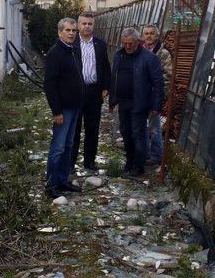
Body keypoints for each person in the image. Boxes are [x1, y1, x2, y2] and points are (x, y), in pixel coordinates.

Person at [109, 27, 163, 177]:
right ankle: (130, 161)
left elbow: (158, 83)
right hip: (123, 101)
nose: (127, 46)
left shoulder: (149, 58)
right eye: (124, 43)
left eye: (130, 44)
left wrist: (157, 105)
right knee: (126, 132)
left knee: (138, 134)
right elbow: (114, 77)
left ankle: (139, 167)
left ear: (138, 42)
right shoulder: (119, 55)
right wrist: (112, 100)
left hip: (140, 102)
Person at [43, 18, 84, 199]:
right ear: (59, 32)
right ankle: (51, 184)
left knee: (68, 145)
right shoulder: (55, 53)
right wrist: (56, 111)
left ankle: (62, 180)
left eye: (74, 30)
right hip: (63, 109)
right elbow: (49, 84)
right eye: (67, 30)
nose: (71, 33)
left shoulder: (74, 50)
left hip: (75, 107)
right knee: (58, 147)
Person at [70, 12, 111, 171]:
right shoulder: (72, 44)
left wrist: (106, 87)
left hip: (94, 92)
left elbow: (106, 66)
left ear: (94, 26)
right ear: (78, 25)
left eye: (90, 24)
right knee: (74, 128)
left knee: (92, 128)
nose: (87, 26)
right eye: (84, 23)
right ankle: (71, 162)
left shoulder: (100, 44)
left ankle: (89, 161)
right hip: (76, 92)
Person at [142, 25, 173, 165]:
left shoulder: (163, 54)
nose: (149, 36)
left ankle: (156, 156)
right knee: (141, 126)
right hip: (140, 96)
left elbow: (168, 76)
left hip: (154, 96)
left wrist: (160, 96)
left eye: (151, 34)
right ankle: (144, 153)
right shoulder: (140, 51)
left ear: (157, 35)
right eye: (146, 33)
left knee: (154, 127)